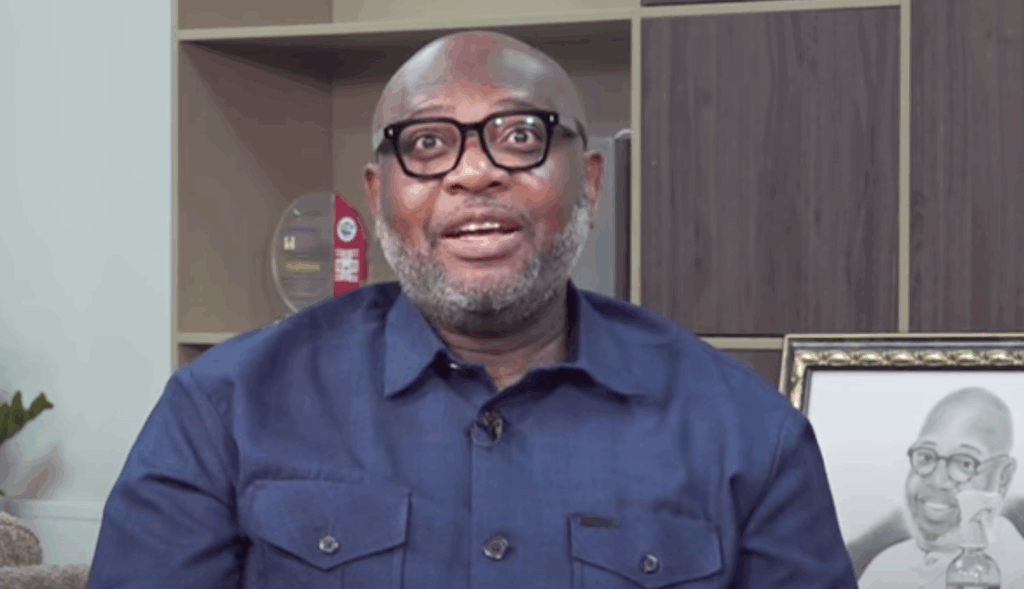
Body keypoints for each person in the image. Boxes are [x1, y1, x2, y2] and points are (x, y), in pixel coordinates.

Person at [86, 30, 856, 588]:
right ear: (379, 194)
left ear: (590, 182)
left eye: (520, 135)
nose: (475, 172)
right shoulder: (222, 410)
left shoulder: (748, 434)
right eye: (426, 144)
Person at [859, 387, 1024, 588]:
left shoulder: (1014, 570)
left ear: (1003, 477)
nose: (938, 480)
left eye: (964, 463)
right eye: (926, 456)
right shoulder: (885, 567)